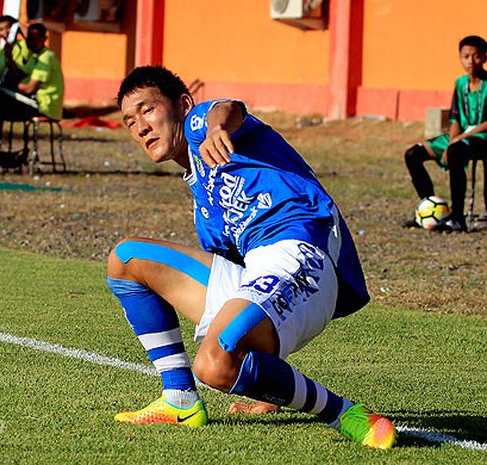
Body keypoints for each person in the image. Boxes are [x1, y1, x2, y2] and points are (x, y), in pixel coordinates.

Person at [107, 65, 397, 449]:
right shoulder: (205, 211)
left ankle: (345, 413)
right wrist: (267, 390)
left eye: (147, 110)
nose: (140, 126)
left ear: (182, 105)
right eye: (130, 121)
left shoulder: (202, 125)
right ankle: (180, 399)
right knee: (126, 259)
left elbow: (228, 108)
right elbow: (244, 285)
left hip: (300, 251)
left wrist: (215, 128)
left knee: (212, 362)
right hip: (263, 278)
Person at [404, 35, 487, 231]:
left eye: (476, 56)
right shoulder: (460, 84)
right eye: (466, 56)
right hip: (459, 137)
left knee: (457, 151)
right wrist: (451, 141)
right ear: (460, 57)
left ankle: (457, 218)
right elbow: (455, 119)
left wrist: (458, 140)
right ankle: (427, 208)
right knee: (413, 154)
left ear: (484, 57)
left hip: (482, 137)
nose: (470, 61)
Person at [0, 23, 64, 121]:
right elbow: (19, 75)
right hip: (35, 101)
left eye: (36, 38)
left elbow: (29, 88)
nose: (32, 41)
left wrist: (11, 85)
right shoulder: (34, 56)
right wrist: (9, 57)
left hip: (44, 106)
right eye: (30, 38)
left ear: (45, 39)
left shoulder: (46, 57)